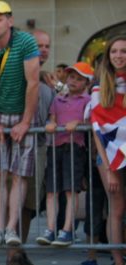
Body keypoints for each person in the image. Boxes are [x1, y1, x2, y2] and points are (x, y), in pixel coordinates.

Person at [0, 1, 39, 253]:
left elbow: (32, 82)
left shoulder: (26, 42)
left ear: (10, 21)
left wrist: (25, 121)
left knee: (19, 174)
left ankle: (12, 228)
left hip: (24, 114)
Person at [36, 62, 93, 247]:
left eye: (79, 78)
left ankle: (67, 230)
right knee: (52, 190)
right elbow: (52, 117)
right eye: (71, 77)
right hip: (56, 146)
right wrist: (50, 123)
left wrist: (78, 123)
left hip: (74, 146)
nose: (73, 81)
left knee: (71, 190)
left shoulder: (87, 100)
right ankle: (51, 229)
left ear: (86, 83)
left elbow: (89, 120)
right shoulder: (58, 99)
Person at [15, 29, 56, 265]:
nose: (43, 49)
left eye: (46, 46)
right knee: (19, 203)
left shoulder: (46, 83)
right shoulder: (19, 78)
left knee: (30, 205)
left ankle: (19, 250)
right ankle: (13, 255)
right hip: (20, 147)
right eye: (38, 45)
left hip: (40, 147)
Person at [88, 35, 126, 265]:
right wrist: (110, 170)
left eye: (124, 51)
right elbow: (98, 131)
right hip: (109, 159)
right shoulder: (100, 87)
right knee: (116, 211)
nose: (119, 55)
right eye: (114, 51)